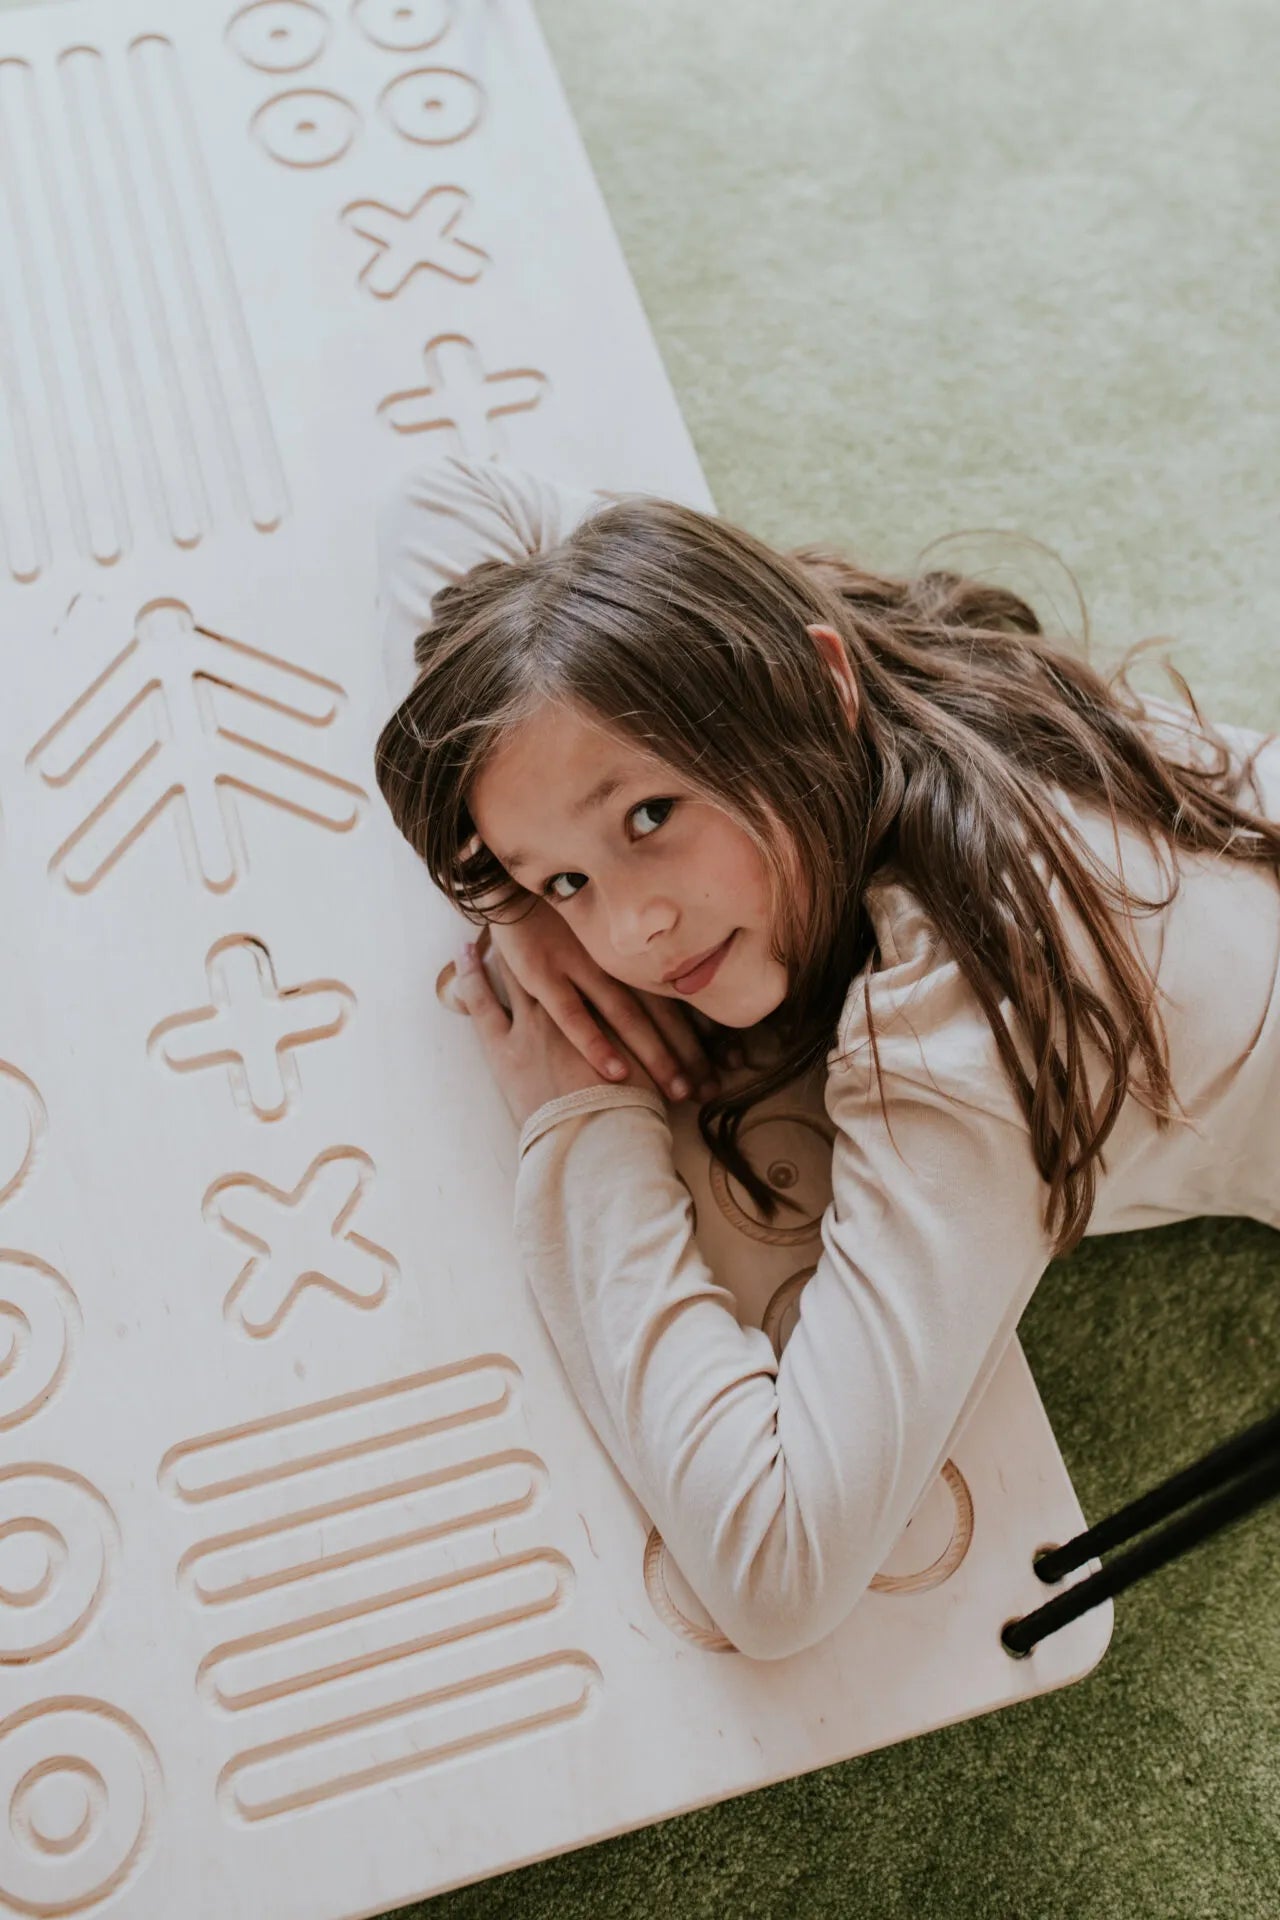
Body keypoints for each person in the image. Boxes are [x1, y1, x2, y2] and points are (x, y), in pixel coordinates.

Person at [372, 451, 1280, 1662]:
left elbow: (778, 1567)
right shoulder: (777, 655)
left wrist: (582, 1129)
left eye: (649, 818)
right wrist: (515, 901)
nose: (628, 930)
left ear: (817, 683)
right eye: (572, 878)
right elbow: (449, 500)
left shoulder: (968, 1022)